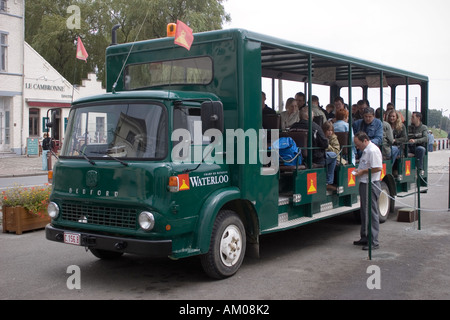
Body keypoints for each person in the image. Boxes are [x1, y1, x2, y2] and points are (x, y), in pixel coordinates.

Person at [291, 108, 337, 191]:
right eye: (312, 116)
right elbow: (325, 144)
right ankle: (328, 182)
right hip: (315, 158)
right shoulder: (315, 127)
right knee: (333, 155)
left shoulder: (293, 127)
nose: (313, 118)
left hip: (296, 157)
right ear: (308, 117)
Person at [353, 131, 383, 250]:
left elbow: (377, 168)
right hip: (365, 182)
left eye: (358, 144)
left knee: (371, 213)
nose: (357, 147)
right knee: (365, 211)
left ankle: (373, 241)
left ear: (365, 140)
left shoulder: (372, 151)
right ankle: (365, 236)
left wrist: (362, 172)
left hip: (371, 183)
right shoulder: (366, 150)